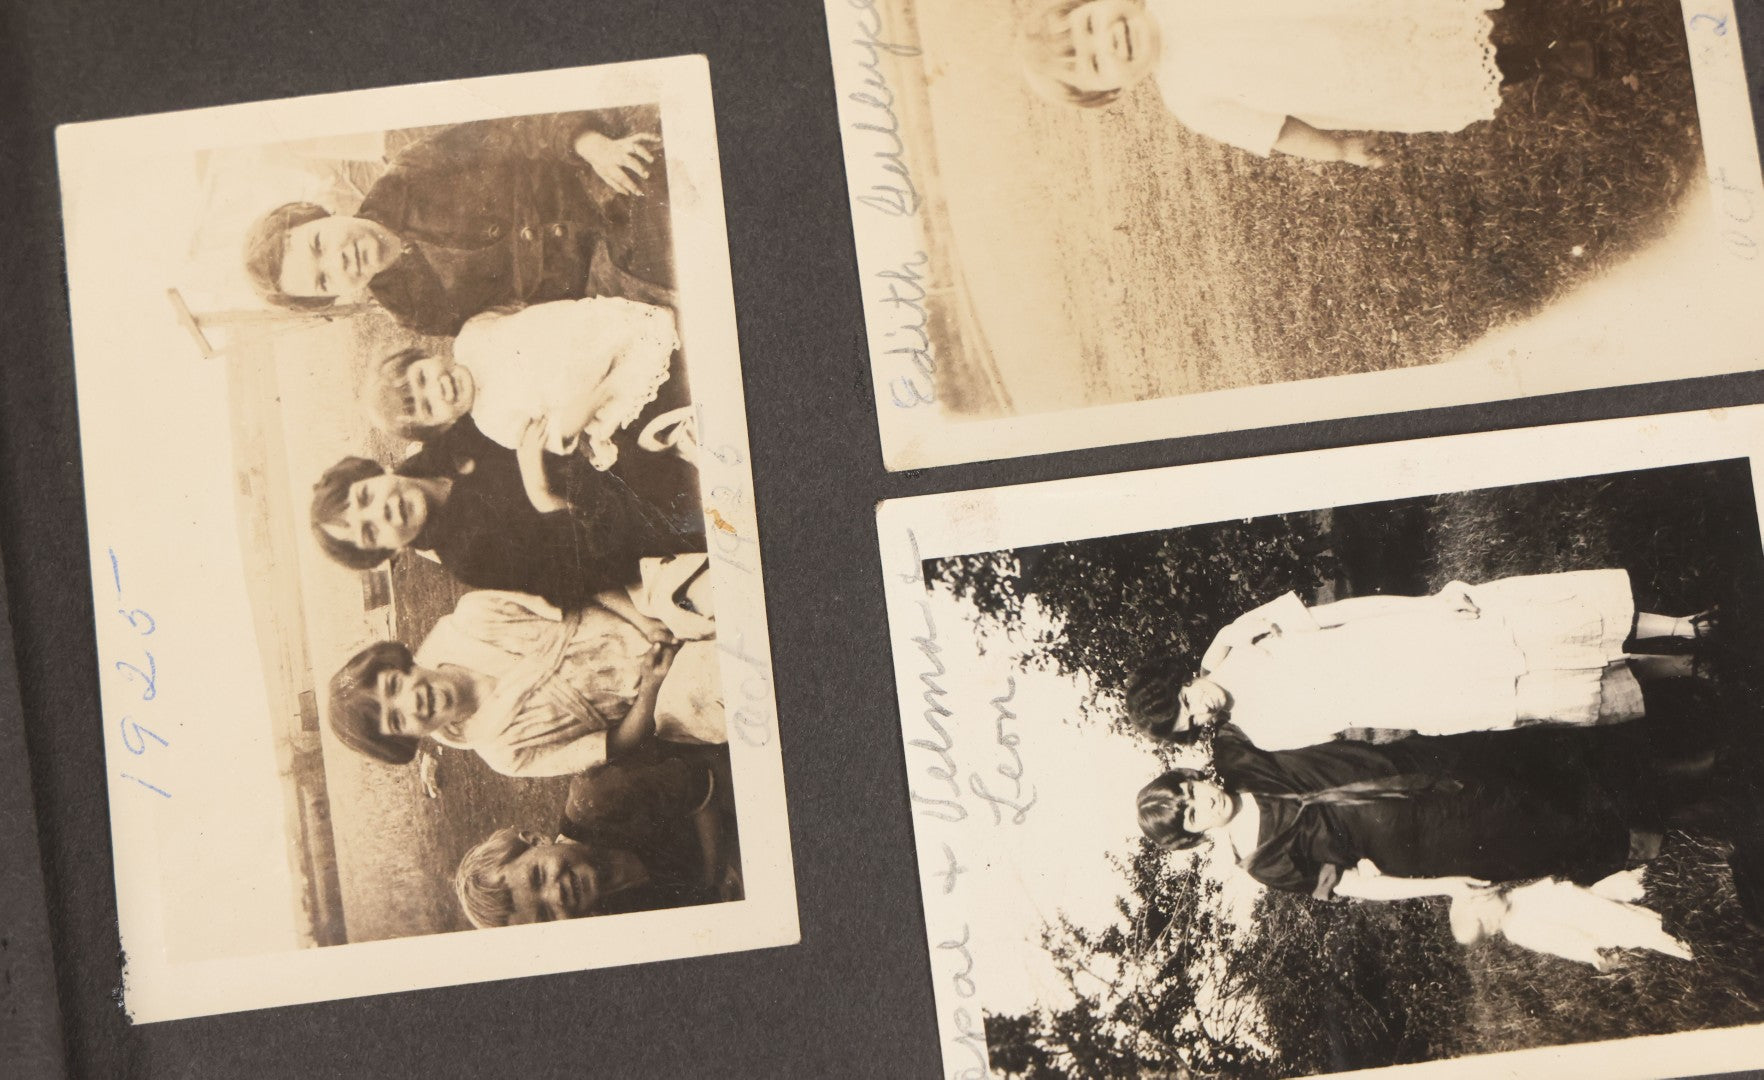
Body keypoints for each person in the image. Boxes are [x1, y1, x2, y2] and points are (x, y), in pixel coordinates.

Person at [1126, 570, 1715, 751]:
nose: (1201, 714)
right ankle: (1685, 669)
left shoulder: (1239, 640)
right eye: (1191, 725)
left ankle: (1684, 627)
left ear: (1182, 679)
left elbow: (1344, 612)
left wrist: (1428, 604)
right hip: (1427, 696)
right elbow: (1355, 733)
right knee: (1553, 689)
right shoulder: (1265, 734)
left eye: (1186, 703)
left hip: (1413, 638)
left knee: (1551, 627)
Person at [1134, 721, 1712, 902]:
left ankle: (1682, 758)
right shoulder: (1264, 863)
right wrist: (1444, 885)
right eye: (1191, 816)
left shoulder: (1239, 760)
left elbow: (1216, 686)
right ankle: (1688, 815)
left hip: (1418, 764)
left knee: (1538, 763)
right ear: (1194, 838)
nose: (1203, 802)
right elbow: (1359, 887)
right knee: (1545, 828)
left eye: (1190, 791)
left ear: (1192, 775)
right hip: (1432, 840)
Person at [242, 111, 674, 336]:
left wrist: (592, 145)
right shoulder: (414, 310)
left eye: (319, 244)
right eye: (323, 281)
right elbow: (513, 330)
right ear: (333, 296)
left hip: (595, 181)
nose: (338, 261)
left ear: (323, 213)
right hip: (607, 278)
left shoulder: (410, 173)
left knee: (668, 183)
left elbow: (514, 128)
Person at [1017, 0, 1599, 165]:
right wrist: (1338, 149)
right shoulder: (1189, 100)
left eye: (1089, 25)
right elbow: (1276, 130)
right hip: (1359, 73)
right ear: (1114, 92)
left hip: (1348, 10)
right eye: (1095, 63)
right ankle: (1548, 58)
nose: (1107, 42)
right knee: (1448, 67)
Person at [309, 413, 700, 607]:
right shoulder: (469, 557)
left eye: (366, 497)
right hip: (635, 518)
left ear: (375, 471)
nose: (381, 513)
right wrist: (539, 489)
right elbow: (591, 569)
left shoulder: (444, 447)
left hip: (599, 440)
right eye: (371, 532)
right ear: (389, 552)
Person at [326, 589, 725, 778]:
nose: (412, 703)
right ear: (409, 741)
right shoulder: (505, 753)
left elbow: (577, 582)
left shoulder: (474, 616)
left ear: (401, 663)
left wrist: (646, 622)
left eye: (394, 686)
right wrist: (653, 684)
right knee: (715, 679)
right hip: (662, 697)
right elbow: (618, 744)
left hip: (641, 608)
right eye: (398, 720)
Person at [363, 291, 682, 472]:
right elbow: (560, 431)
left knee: (652, 324)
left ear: (425, 355)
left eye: (422, 377)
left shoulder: (469, 337)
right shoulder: (493, 422)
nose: (439, 390)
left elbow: (517, 311)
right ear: (443, 426)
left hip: (600, 328)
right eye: (429, 407)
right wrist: (607, 390)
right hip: (600, 388)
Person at [454, 742, 741, 927]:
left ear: (535, 840)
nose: (556, 894)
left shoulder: (595, 799)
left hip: (729, 787)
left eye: (538, 876)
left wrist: (712, 879)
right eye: (545, 914)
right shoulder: (608, 918)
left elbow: (703, 788)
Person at [1448, 868, 1693, 970]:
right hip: (1590, 922)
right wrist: (1589, 953)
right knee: (1636, 927)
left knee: (1620, 889)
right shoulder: (1518, 929)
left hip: (1586, 899)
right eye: (1488, 926)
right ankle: (1683, 945)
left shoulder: (1514, 896)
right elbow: (1558, 942)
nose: (1493, 927)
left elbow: (1554, 890)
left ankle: (1651, 877)